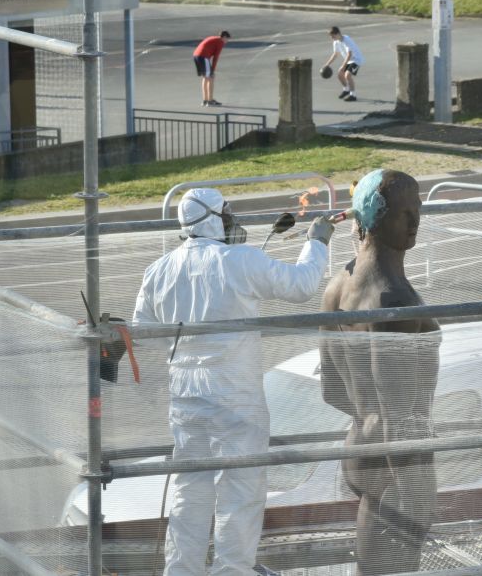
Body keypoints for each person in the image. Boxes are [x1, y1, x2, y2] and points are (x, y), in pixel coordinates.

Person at [133, 188, 334, 576]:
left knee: (189, 495)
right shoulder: (241, 260)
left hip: (186, 399)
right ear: (214, 218)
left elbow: (146, 334)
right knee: (239, 495)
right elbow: (301, 285)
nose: (232, 221)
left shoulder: (159, 270)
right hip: (235, 398)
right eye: (227, 214)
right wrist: (317, 242)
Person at [319, 169, 440, 575]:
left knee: (371, 566)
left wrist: (364, 415)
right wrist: (415, 497)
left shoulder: (338, 287)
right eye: (405, 213)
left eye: (418, 210)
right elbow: (396, 417)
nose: (415, 221)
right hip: (399, 460)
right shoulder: (395, 300)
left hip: (359, 448)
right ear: (376, 216)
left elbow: (331, 391)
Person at [322, 26, 364, 102]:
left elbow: (349, 54)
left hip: (357, 60)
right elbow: (335, 54)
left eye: (333, 36)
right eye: (331, 36)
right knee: (340, 74)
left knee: (347, 75)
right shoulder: (336, 42)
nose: (332, 38)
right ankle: (346, 90)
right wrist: (327, 64)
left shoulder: (347, 40)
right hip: (349, 60)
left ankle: (353, 95)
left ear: (338, 33)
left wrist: (343, 66)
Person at [193, 30, 230, 107]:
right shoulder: (220, 42)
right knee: (211, 78)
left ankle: (205, 100)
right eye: (227, 39)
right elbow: (216, 57)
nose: (227, 41)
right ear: (224, 37)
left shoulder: (214, 38)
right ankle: (209, 101)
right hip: (203, 56)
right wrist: (213, 70)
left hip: (196, 55)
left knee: (206, 78)